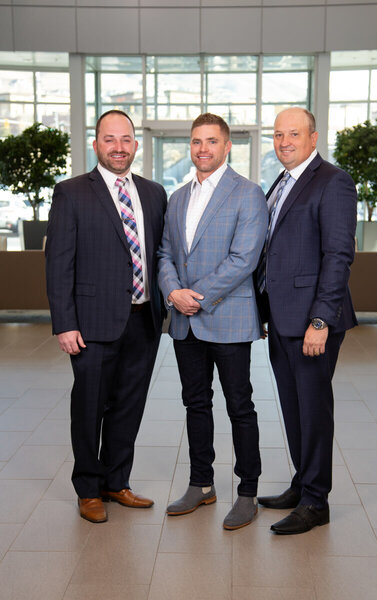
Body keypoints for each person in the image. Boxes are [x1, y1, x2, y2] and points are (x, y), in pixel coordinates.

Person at [45, 110, 167, 523]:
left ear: (136, 144)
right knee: (90, 406)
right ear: (96, 144)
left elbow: (159, 256)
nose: (119, 147)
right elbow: (59, 262)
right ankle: (88, 489)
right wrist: (65, 322)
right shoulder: (72, 192)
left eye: (126, 139)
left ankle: (117, 482)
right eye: (110, 139)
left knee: (129, 406)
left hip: (144, 320)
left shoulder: (153, 193)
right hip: (92, 322)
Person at [158, 113, 268, 530]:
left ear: (227, 147)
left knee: (240, 406)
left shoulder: (248, 193)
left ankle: (247, 492)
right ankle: (201, 483)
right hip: (185, 321)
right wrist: (173, 292)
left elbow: (244, 259)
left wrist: (193, 297)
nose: (203, 148)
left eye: (211, 141)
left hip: (228, 317)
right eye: (196, 141)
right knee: (195, 403)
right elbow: (164, 253)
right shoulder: (178, 197)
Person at [256, 107, 358, 534]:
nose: (284, 142)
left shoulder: (333, 182)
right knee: (294, 408)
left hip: (312, 322)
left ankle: (317, 501)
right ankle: (303, 481)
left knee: (313, 411)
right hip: (281, 319)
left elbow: (338, 256)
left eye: (294, 134)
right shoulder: (281, 182)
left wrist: (321, 320)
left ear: (313, 138)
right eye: (279, 135)